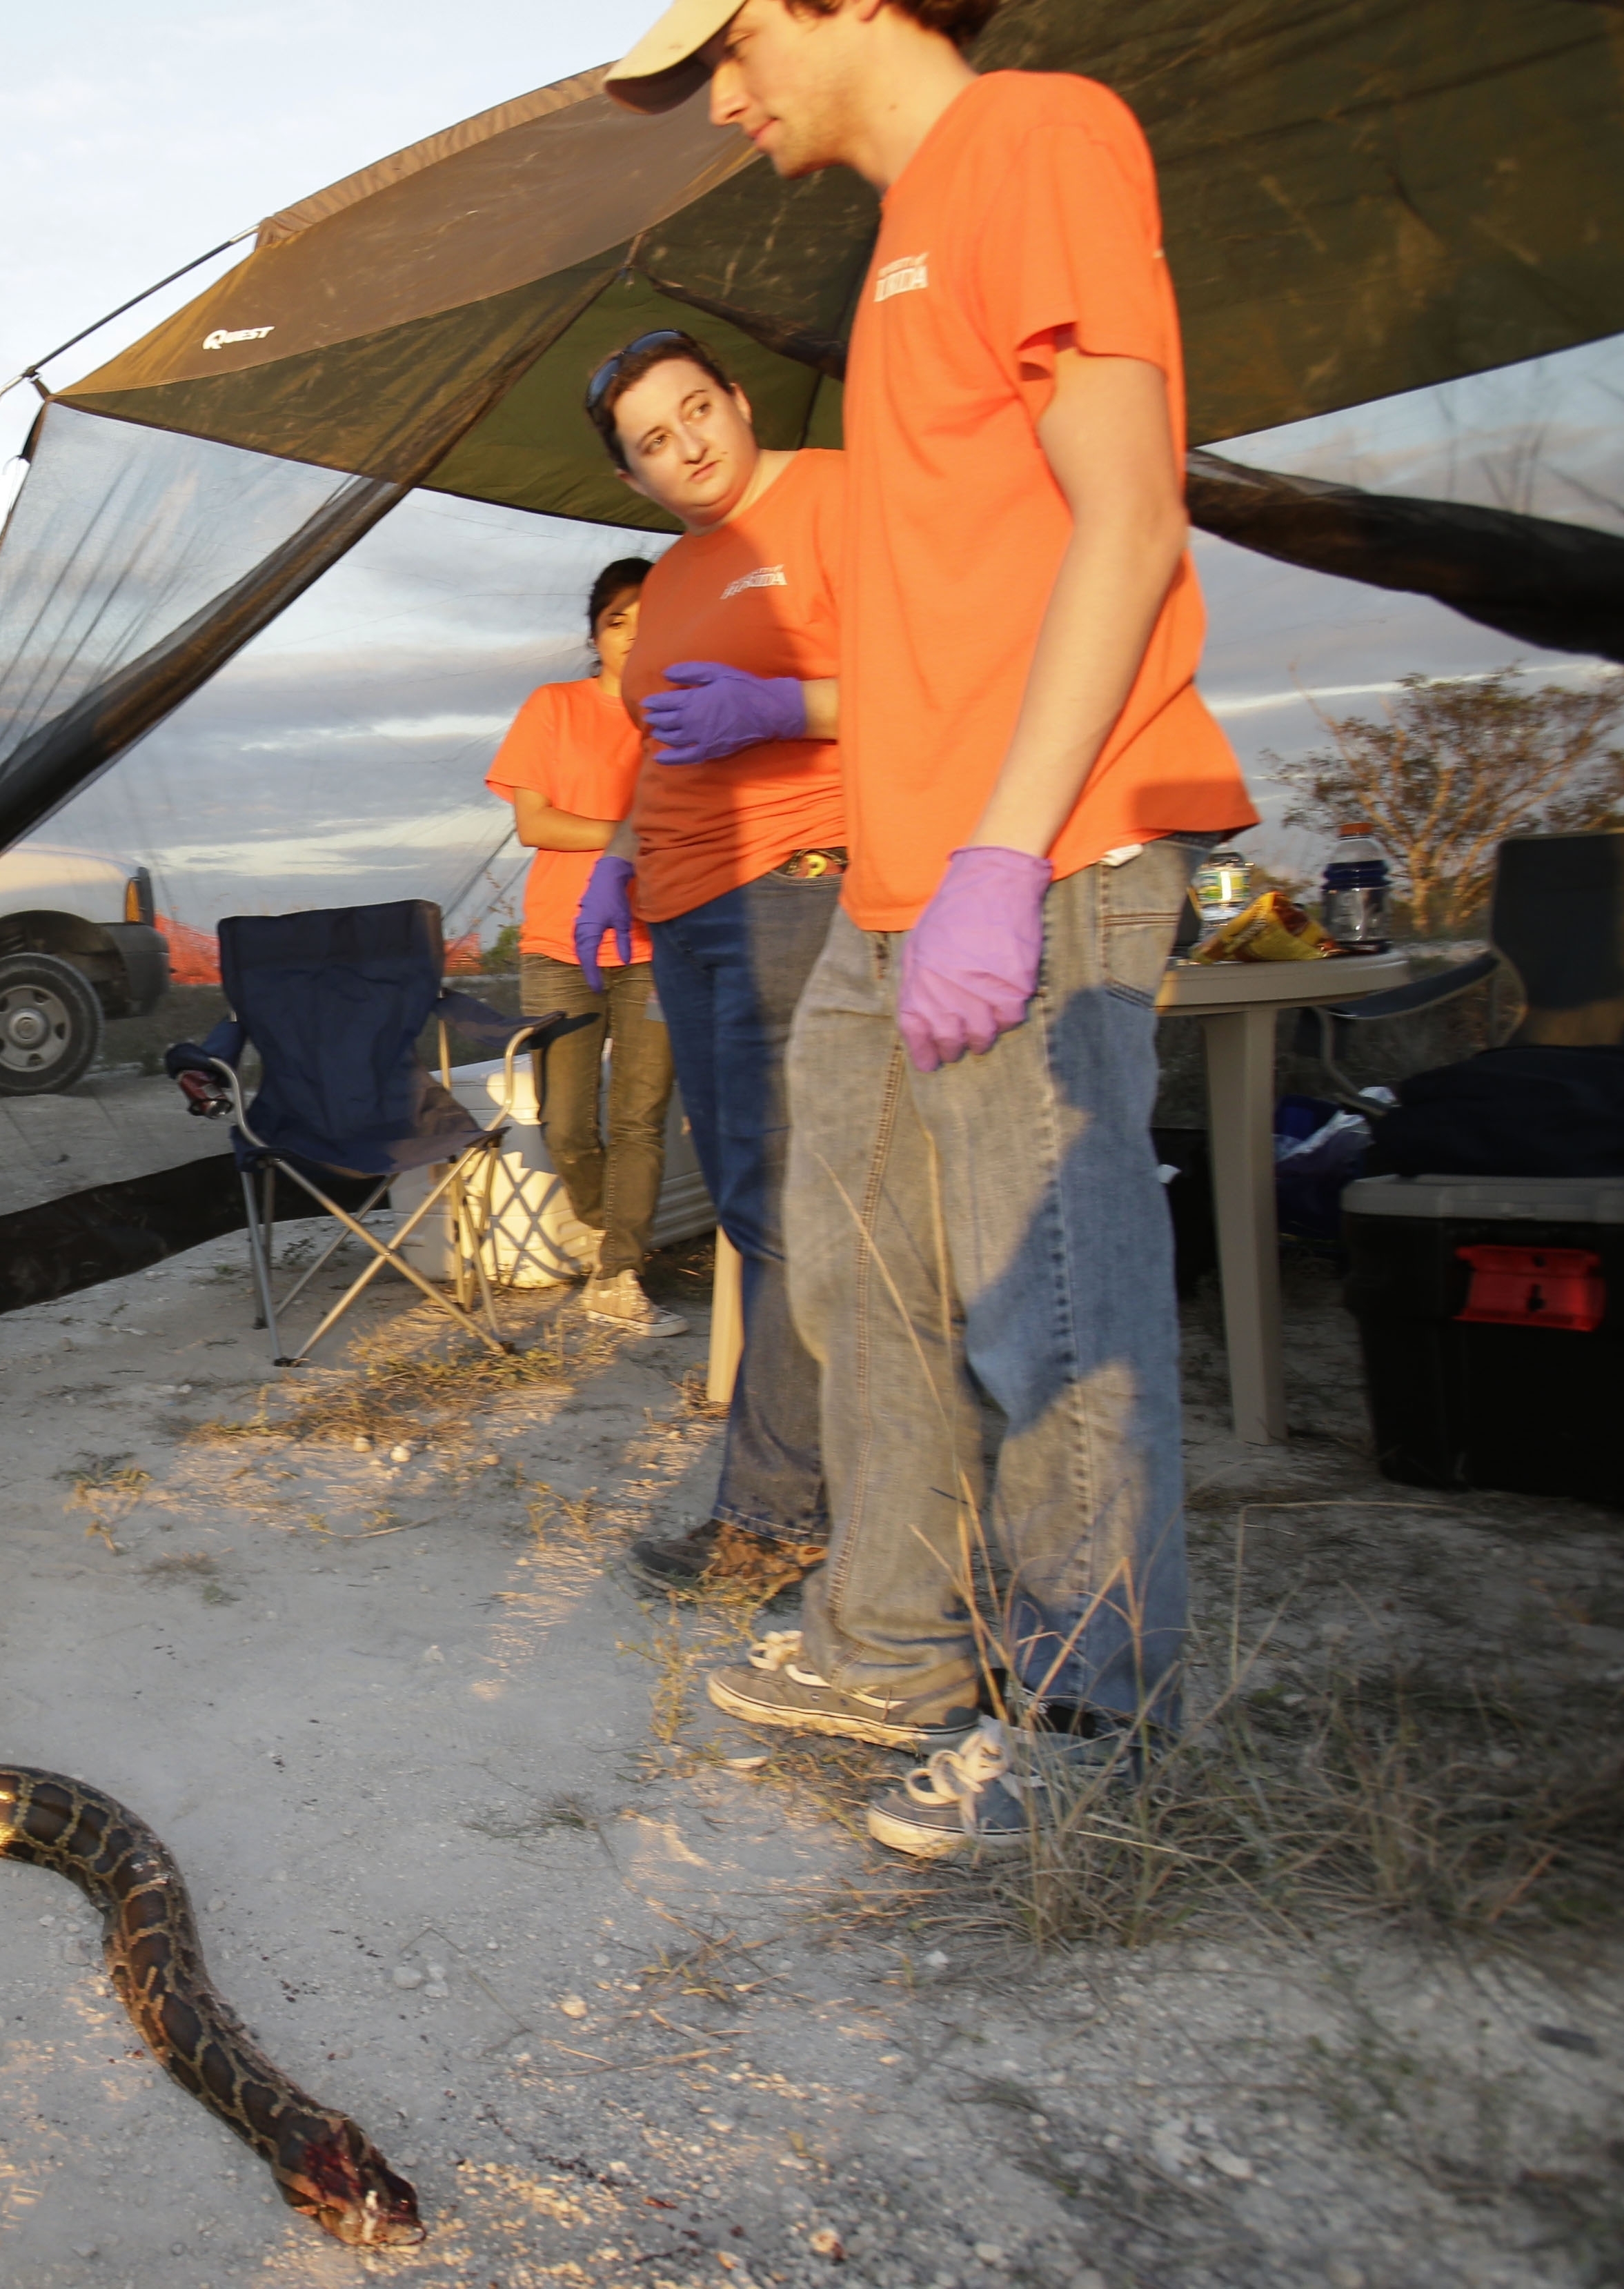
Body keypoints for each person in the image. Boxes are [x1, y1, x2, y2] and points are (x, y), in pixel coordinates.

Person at [606, 0, 1257, 1855]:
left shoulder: (1035, 138)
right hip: (895, 872)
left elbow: (1125, 521)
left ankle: (1091, 1709)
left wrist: (1002, 852)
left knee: (1043, 1276)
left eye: (728, 48)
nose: (720, 99)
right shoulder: (893, 238)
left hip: (1032, 847)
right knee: (856, 1260)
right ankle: (889, 1635)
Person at [570, 329, 846, 1598]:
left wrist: (784, 709)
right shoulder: (678, 572)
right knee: (749, 1206)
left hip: (794, 887)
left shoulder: (835, 495)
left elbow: (942, 671)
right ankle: (790, 1502)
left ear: (736, 400)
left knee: (789, 1209)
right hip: (678, 910)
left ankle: (782, 1519)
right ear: (632, 479)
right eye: (652, 445)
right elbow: (654, 741)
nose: (687, 449)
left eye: (696, 413)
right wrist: (616, 853)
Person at [484, 561, 687, 1334]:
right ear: (596, 632)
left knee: (641, 1117)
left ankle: (621, 1274)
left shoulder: (680, 716)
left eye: (649, 618)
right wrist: (633, 840)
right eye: (617, 620)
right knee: (566, 1124)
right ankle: (613, 1233)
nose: (633, 636)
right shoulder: (555, 708)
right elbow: (535, 824)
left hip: (657, 943)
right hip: (559, 943)